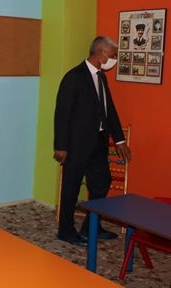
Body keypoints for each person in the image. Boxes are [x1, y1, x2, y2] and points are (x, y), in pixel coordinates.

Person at [54, 36, 131, 246]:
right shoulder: (74, 77)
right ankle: (65, 231)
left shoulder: (101, 77)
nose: (114, 59)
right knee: (71, 188)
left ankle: (91, 226)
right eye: (113, 55)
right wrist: (60, 146)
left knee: (102, 182)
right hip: (76, 145)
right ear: (101, 53)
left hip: (98, 143)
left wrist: (120, 140)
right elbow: (62, 113)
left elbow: (109, 110)